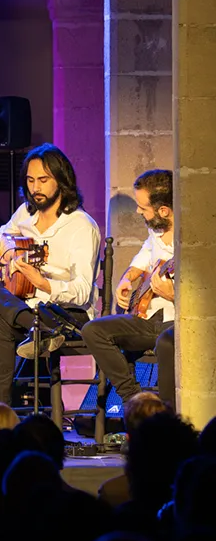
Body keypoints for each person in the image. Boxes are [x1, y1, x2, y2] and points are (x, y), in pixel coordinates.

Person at [0, 143, 101, 404]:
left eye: (42, 180)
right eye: (30, 180)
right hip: (29, 309)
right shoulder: (25, 213)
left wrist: (44, 283)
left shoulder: (81, 226)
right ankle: (0, 414)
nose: (35, 188)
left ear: (62, 181)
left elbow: (83, 292)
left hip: (65, 313)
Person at [82, 169, 176, 408]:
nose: (138, 211)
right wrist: (127, 279)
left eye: (143, 208)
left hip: (176, 322)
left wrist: (173, 295)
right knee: (93, 330)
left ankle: (167, 420)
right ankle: (134, 400)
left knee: (167, 343)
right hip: (147, 319)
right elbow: (142, 257)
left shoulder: (191, 241)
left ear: (163, 210)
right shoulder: (156, 230)